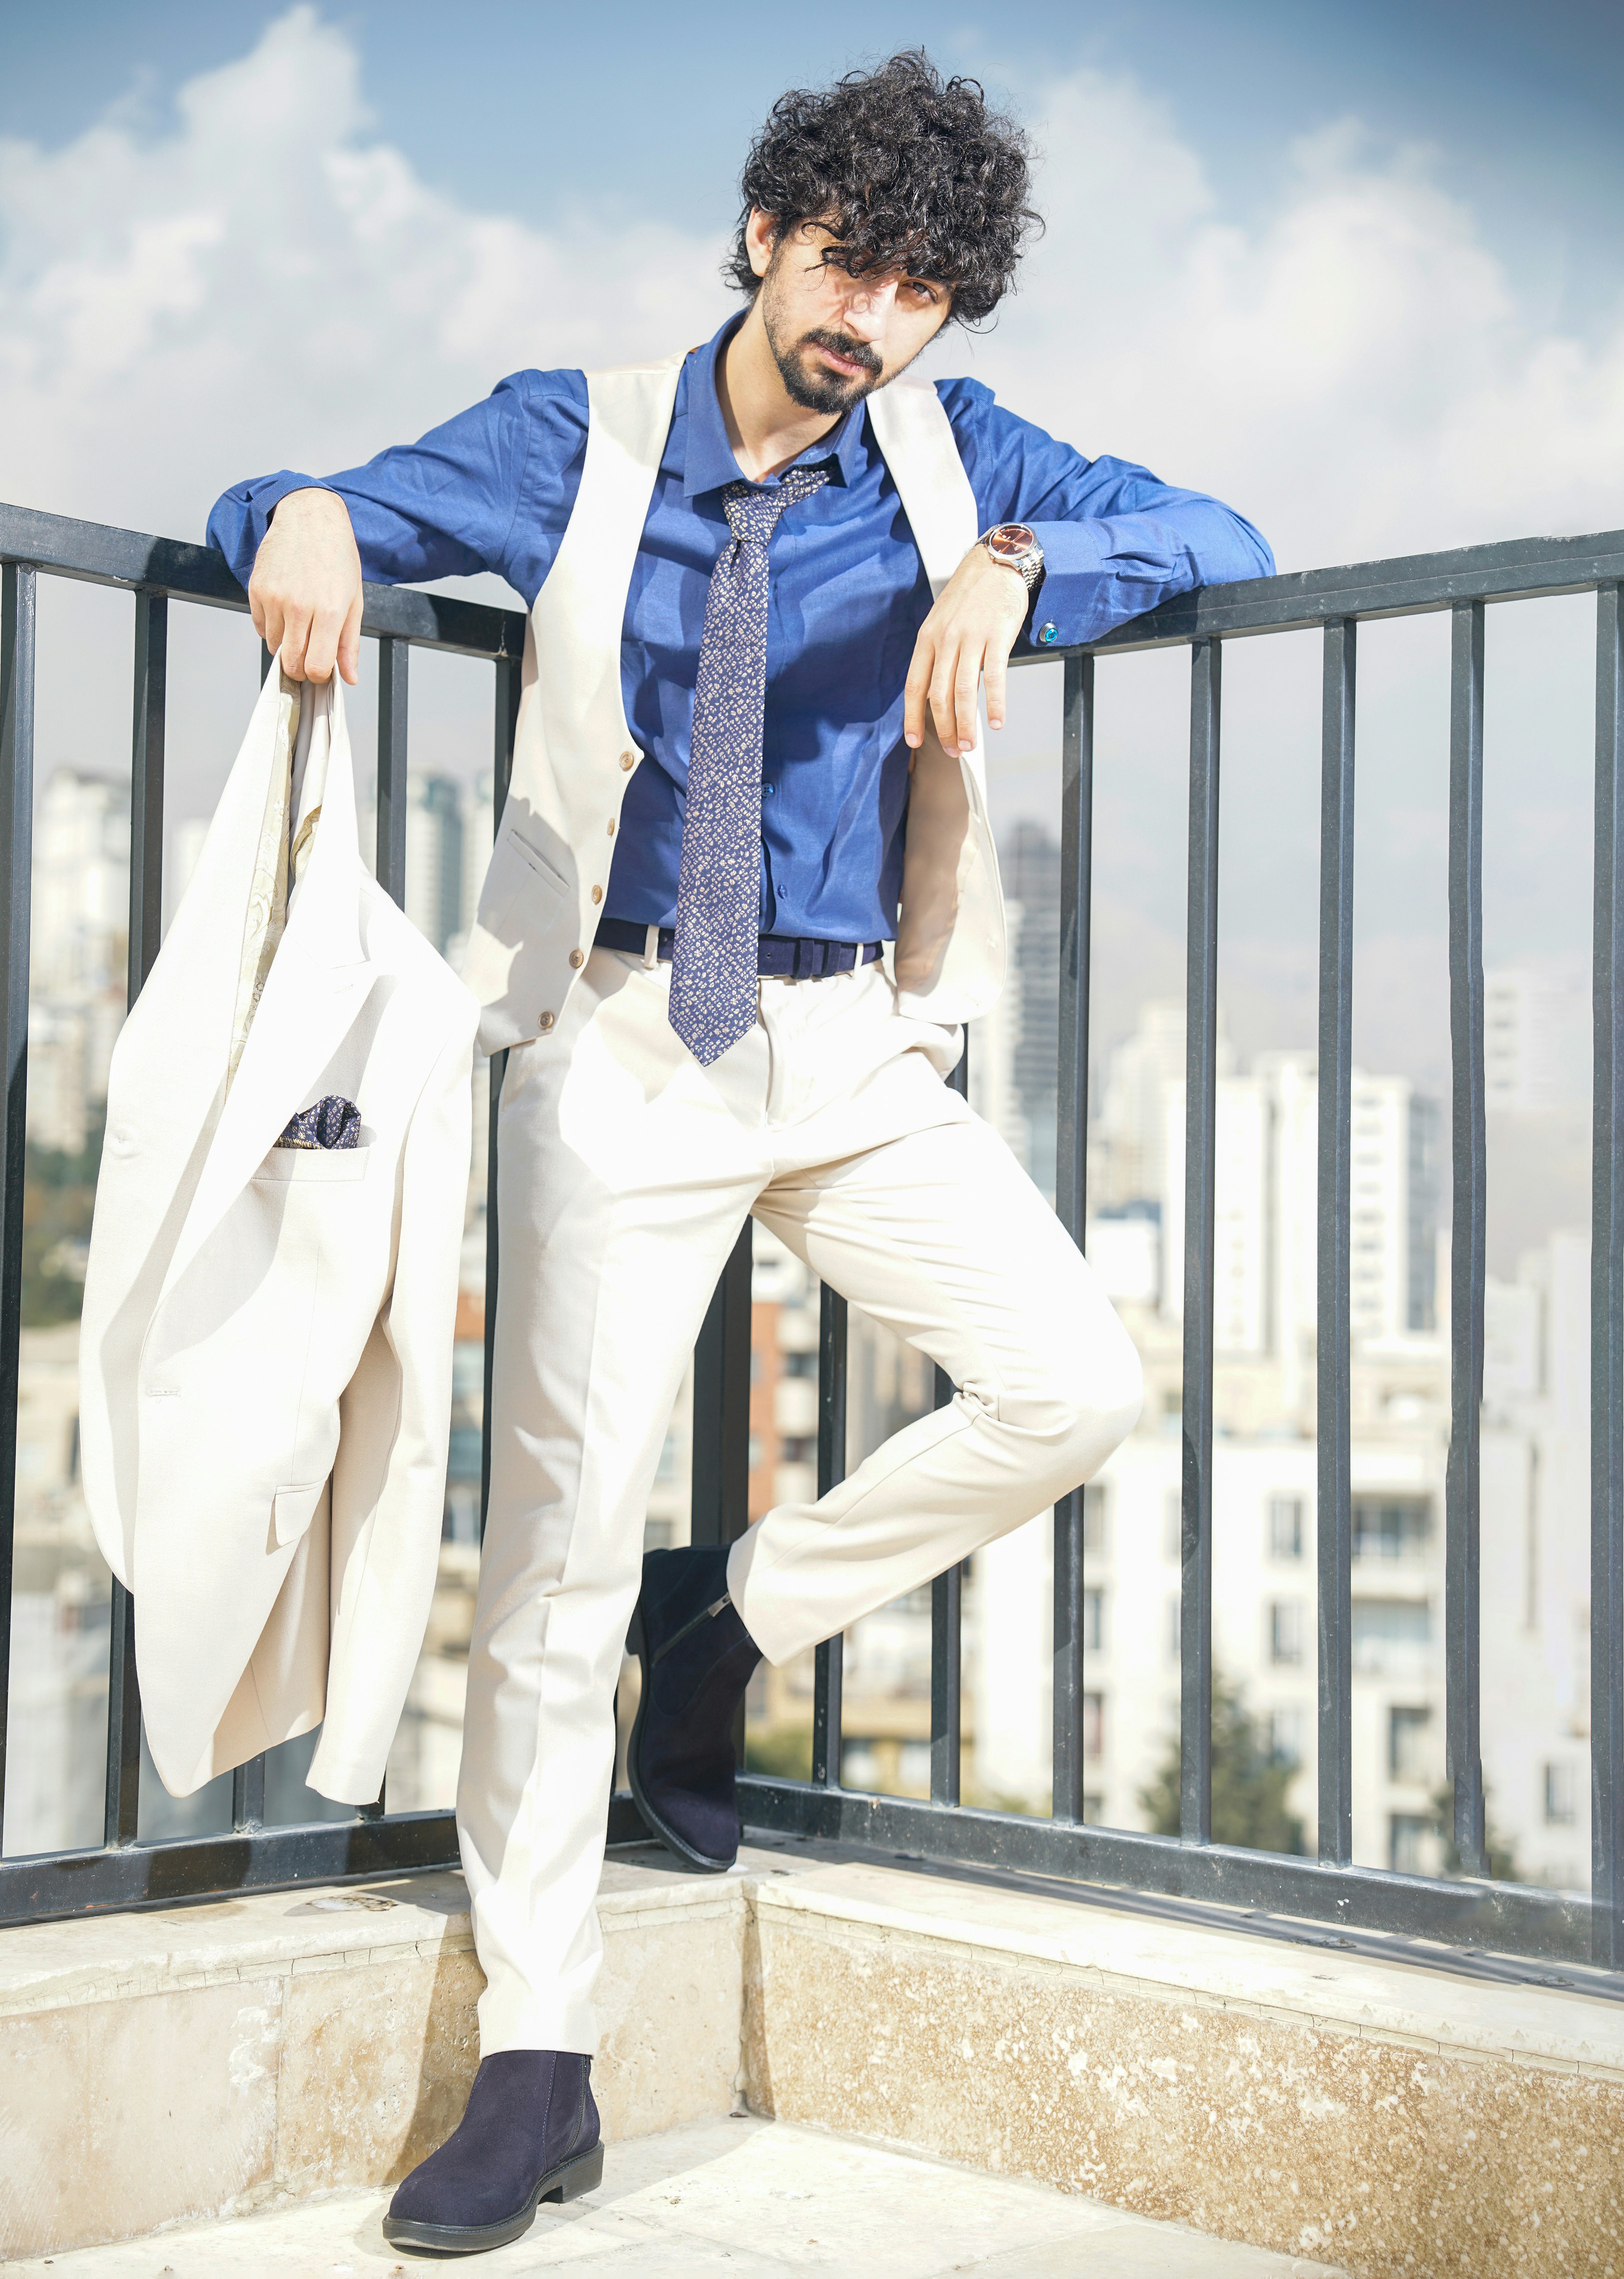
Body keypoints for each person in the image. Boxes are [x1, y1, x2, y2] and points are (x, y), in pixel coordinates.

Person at [209, 51, 1272, 2255]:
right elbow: (319, 510)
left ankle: (732, 1621)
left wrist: (1019, 560)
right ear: (769, 227)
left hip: (851, 1034)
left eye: (920, 289)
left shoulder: (952, 451)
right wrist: (291, 513)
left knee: (1077, 1383)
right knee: (549, 1556)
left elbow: (1224, 535)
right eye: (849, 257)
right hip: (611, 1038)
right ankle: (539, 2057)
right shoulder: (577, 432)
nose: (872, 314)